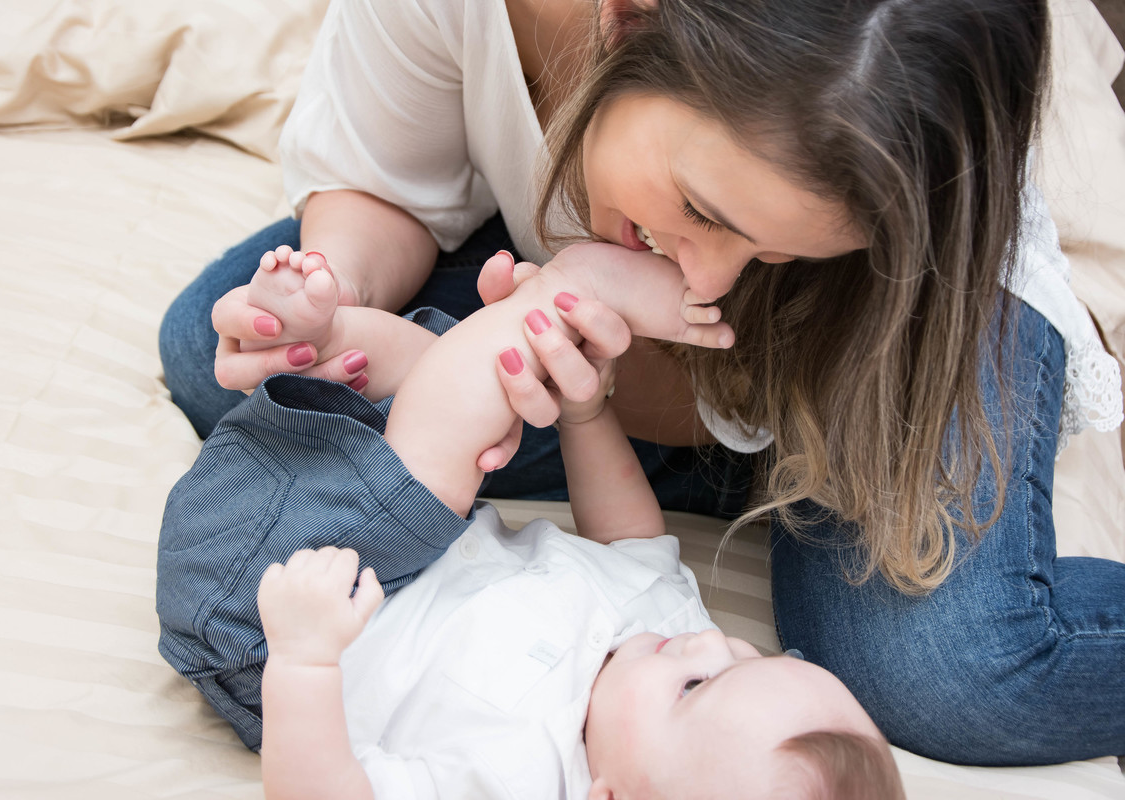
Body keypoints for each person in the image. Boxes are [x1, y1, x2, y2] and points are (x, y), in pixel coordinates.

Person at [158, 0, 1125, 767]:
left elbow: (686, 373)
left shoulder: (843, 239)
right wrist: (328, 302)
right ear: (628, 20)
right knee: (232, 359)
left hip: (883, 315)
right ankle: (694, 427)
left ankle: (768, 413)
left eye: (768, 247)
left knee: (946, 676)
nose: (705, 278)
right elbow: (384, 189)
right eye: (701, 209)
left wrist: (553, 350)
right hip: (623, 311)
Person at [218, 246, 899, 799]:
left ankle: (569, 288)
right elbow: (631, 542)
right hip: (400, 523)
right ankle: (331, 334)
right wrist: (586, 413)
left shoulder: (515, 775)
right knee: (463, 390)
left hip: (284, 605)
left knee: (438, 455)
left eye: (697, 687)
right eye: (749, 656)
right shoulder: (671, 638)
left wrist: (302, 662)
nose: (708, 645)